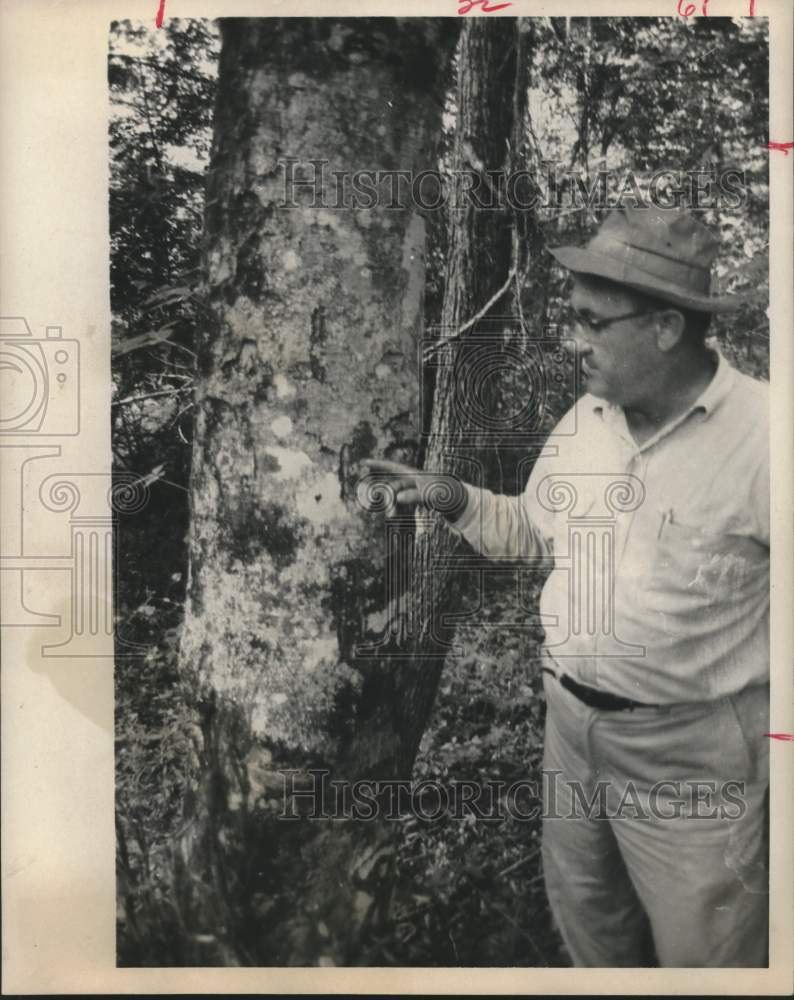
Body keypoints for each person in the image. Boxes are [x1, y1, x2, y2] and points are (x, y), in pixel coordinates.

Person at [362, 205, 769, 968]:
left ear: (666, 328)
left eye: (591, 322)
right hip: (571, 735)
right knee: (595, 934)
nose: (573, 341)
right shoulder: (587, 420)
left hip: (693, 760)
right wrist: (452, 496)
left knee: (709, 959)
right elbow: (528, 530)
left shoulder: (767, 439)